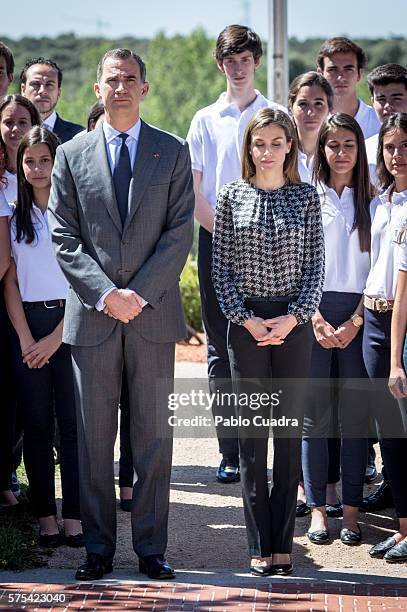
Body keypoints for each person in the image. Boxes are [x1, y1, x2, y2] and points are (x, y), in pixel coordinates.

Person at [48, 48, 194, 581]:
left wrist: (139, 294)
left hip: (153, 317)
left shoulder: (171, 151)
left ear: (145, 89)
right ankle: (98, 550)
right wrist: (107, 293)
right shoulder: (72, 154)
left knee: (154, 437)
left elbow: (180, 233)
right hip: (93, 318)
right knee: (90, 439)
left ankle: (152, 548)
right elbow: (63, 236)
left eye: (131, 79)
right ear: (97, 89)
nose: (122, 87)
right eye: (112, 80)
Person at [212, 107, 324, 576]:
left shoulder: (305, 197)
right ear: (249, 148)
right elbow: (220, 269)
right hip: (247, 327)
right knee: (254, 440)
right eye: (260, 143)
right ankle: (259, 544)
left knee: (287, 435)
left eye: (278, 142)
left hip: (294, 327)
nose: (268, 150)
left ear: (290, 147)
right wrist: (250, 321)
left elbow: (317, 267)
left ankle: (284, 546)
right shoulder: (230, 196)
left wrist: (294, 318)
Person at [187, 25, 285, 484]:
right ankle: (232, 453)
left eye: (246, 58)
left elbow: (291, 183)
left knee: (270, 344)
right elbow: (195, 192)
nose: (239, 66)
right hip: (217, 242)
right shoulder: (205, 119)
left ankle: (275, 452)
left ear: (257, 62)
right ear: (220, 63)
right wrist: (228, 236)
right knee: (222, 349)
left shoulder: (277, 114)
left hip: (273, 248)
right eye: (230, 59)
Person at [3, 126, 82, 547]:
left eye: (44, 160)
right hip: (27, 328)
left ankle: (73, 516)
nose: (36, 168)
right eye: (29, 161)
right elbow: (11, 280)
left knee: (70, 426)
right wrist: (23, 338)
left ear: (57, 163)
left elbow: (81, 280)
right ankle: (45, 517)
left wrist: (56, 337)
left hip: (67, 327)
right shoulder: (14, 214)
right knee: (34, 425)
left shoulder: (72, 212)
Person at [302, 113, 373, 546]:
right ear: (322, 149)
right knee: (315, 419)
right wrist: (314, 316)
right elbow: (299, 263)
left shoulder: (376, 198)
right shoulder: (308, 197)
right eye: (334, 145)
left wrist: (357, 320)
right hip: (315, 313)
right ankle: (316, 511)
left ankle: (349, 513)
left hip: (359, 317)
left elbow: (381, 270)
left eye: (349, 144)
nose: (341, 153)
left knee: (355, 419)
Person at [363, 113, 407, 563]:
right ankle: (402, 527)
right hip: (373, 320)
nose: (397, 155)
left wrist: (397, 357)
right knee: (389, 430)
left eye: (406, 146)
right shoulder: (381, 202)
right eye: (390, 148)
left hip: (402, 324)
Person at [317, 37, 380, 139]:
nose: (340, 77)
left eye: (348, 69)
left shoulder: (379, 123)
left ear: (359, 74)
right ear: (320, 74)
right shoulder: (311, 123)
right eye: (333, 70)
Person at [20, 58, 83, 143]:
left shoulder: (79, 136)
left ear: (59, 92)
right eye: (35, 84)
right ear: (23, 90)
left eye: (49, 84)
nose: (43, 91)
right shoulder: (9, 132)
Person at [288, 71, 333, 183]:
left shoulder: (337, 154)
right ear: (291, 107)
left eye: (318, 103)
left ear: (330, 108)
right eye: (303, 104)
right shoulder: (280, 153)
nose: (310, 112)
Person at [365, 64, 407, 184]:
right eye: (381, 99)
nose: (388, 106)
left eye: (396, 98)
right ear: (372, 101)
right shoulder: (364, 150)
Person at [0, 95, 41, 203]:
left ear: (34, 125)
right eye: (8, 122)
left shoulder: (47, 171)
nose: (16, 129)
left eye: (22, 122)